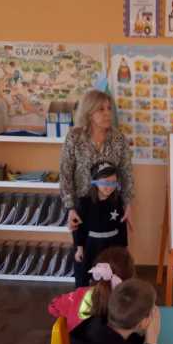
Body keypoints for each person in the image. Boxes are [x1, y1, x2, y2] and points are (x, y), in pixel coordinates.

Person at [60, 89, 134, 252]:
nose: (107, 113)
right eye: (101, 109)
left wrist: (128, 204)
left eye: (109, 108)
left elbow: (126, 173)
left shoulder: (118, 138)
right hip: (83, 207)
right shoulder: (74, 137)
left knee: (112, 257)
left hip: (111, 206)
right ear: (89, 112)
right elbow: (65, 174)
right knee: (85, 254)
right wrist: (70, 208)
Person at [47, 246, 135, 331]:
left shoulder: (78, 295)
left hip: (77, 341)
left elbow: (53, 307)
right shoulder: (132, 305)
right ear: (130, 279)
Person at [72, 161, 128, 287]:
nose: (109, 186)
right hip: (92, 246)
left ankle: (109, 296)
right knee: (88, 275)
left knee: (113, 275)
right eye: (105, 182)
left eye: (113, 182)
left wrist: (124, 247)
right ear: (95, 182)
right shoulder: (84, 202)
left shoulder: (118, 200)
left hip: (113, 245)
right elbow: (78, 228)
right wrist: (79, 248)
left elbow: (122, 225)